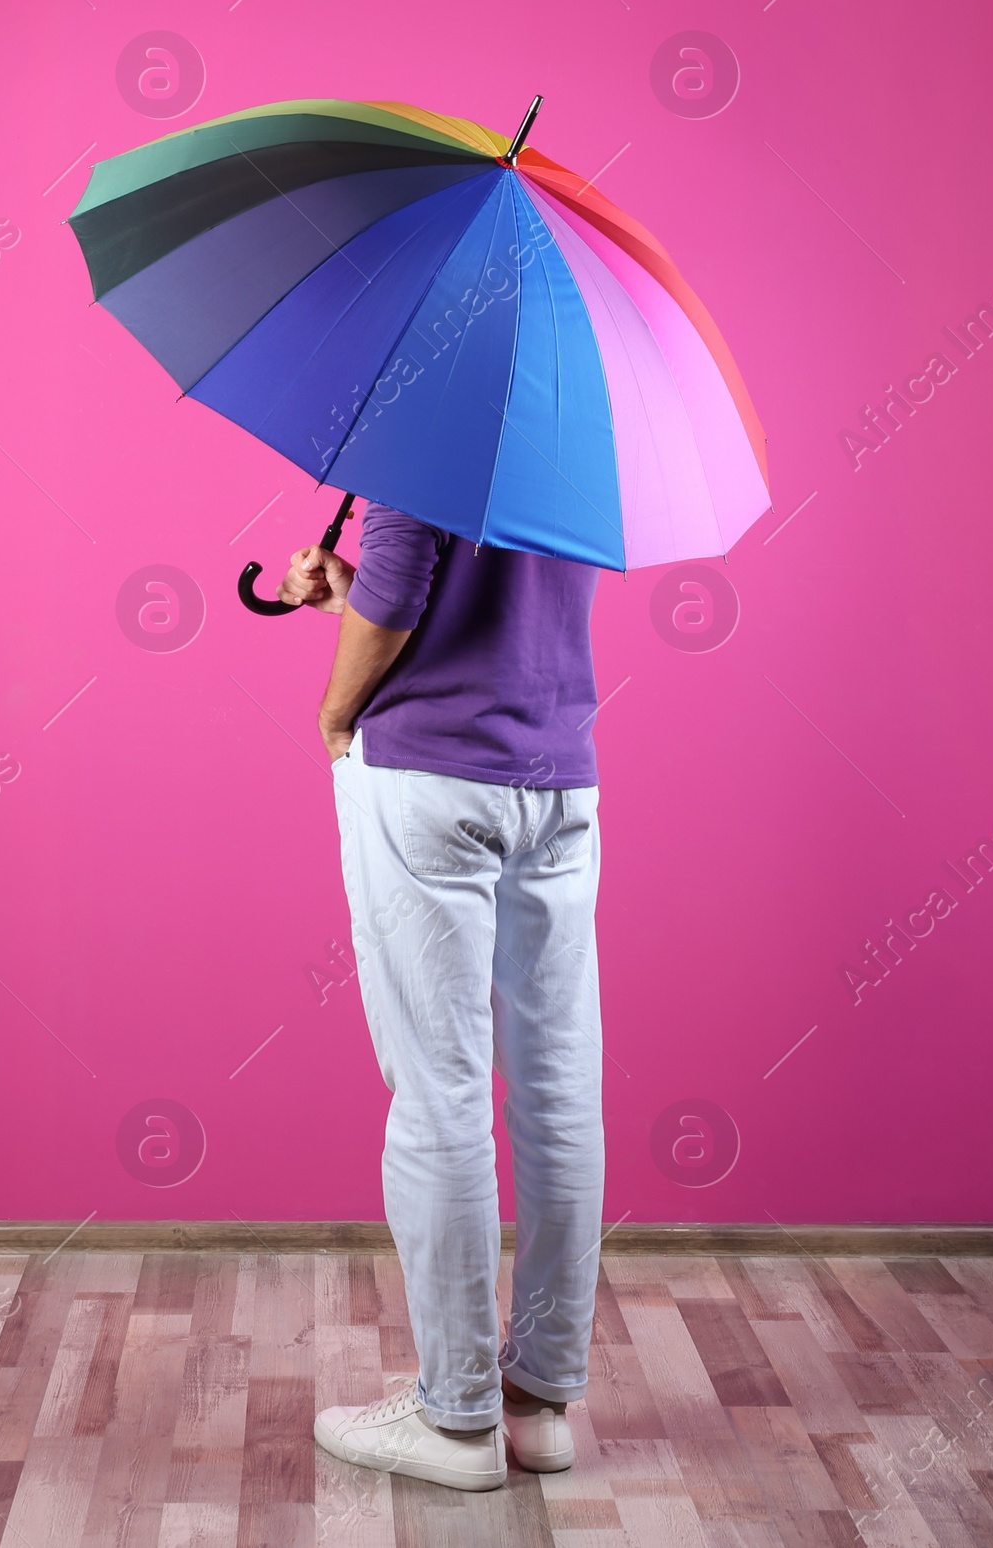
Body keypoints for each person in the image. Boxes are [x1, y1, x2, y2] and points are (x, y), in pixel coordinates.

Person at [278, 498, 605, 1493]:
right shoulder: (562, 414)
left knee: (437, 1095)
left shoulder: (416, 403)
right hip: (556, 780)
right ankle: (538, 1403)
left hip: (427, 776)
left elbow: (401, 585)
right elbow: (480, 599)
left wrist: (335, 715)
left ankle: (455, 1420)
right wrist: (351, 593)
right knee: (555, 1093)